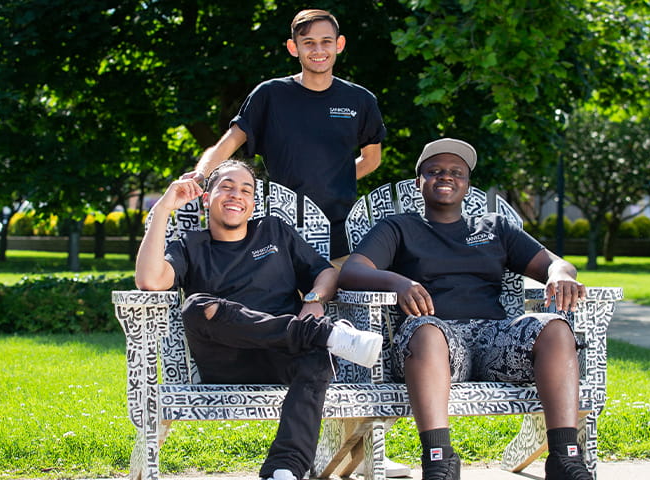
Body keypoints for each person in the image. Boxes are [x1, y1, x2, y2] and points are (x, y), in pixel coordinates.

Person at [337, 138, 592, 480]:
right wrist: (398, 283)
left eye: (456, 172)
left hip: (493, 340)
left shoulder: (495, 228)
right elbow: (353, 272)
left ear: (467, 185)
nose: (446, 177)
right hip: (433, 341)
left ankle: (565, 458)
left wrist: (559, 275)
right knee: (426, 330)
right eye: (435, 171)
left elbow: (555, 264)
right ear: (419, 182)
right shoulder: (398, 228)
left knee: (557, 329)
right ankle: (440, 461)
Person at [135, 160, 383, 480]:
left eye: (245, 190)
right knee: (197, 306)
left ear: (253, 204)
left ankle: (285, 469)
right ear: (207, 198)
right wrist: (162, 209)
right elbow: (149, 281)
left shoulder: (274, 231)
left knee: (316, 360)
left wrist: (313, 299)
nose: (236, 194)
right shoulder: (190, 247)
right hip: (225, 360)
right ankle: (320, 334)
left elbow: (324, 273)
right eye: (225, 187)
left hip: (282, 356)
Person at [185, 8, 386, 262]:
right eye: (308, 43)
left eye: (326, 42)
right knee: (284, 301)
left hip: (340, 234)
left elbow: (372, 159)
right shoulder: (270, 95)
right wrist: (200, 175)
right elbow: (228, 143)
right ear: (294, 47)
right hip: (279, 232)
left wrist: (333, 179)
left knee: (334, 298)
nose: (318, 50)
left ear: (340, 44)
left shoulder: (360, 100)